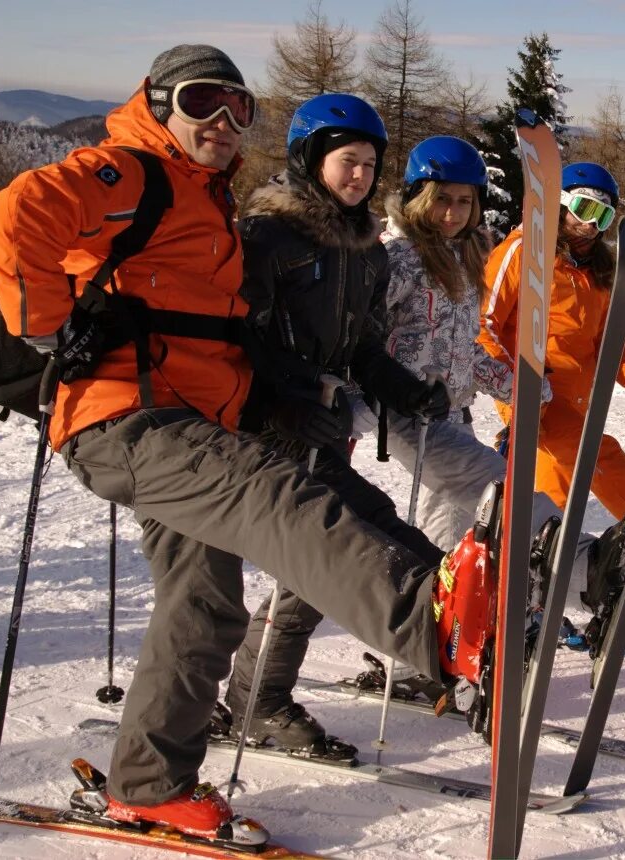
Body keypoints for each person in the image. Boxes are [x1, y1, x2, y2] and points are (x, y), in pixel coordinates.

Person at [0, 46, 449, 847]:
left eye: (242, 109)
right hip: (129, 418)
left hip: (189, 421)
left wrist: (284, 390)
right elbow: (16, 213)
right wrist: (48, 324)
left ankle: (150, 785)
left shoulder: (207, 206)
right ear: (159, 102)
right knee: (274, 494)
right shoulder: (138, 172)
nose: (225, 123)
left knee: (206, 604)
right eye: (204, 101)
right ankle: (435, 625)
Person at [223, 93, 453, 756]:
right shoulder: (269, 238)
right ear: (309, 158)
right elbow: (238, 337)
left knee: (319, 565)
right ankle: (255, 701)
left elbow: (360, 350)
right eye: (347, 161)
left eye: (370, 164)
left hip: (321, 429)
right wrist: (287, 396)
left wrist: (408, 392)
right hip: (264, 429)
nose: (360, 175)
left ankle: (255, 699)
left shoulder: (366, 251)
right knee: (350, 543)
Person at [377, 137, 624, 704]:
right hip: (405, 412)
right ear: (418, 197)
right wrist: (355, 394)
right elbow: (361, 335)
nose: (452, 213)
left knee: (446, 536)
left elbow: (468, 348)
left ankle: (429, 650)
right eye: (442, 200)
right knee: (499, 488)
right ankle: (583, 566)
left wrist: (520, 387)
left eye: (464, 203)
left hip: (448, 412)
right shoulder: (399, 258)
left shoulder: (463, 257)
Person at [478, 162, 625, 579]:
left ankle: (532, 599)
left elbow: (606, 342)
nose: (589, 225)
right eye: (583, 209)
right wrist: (514, 383)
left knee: (549, 512)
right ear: (559, 205)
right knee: (595, 456)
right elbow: (484, 323)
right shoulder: (524, 250)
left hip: (578, 399)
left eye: (602, 216)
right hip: (535, 401)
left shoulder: (595, 272)